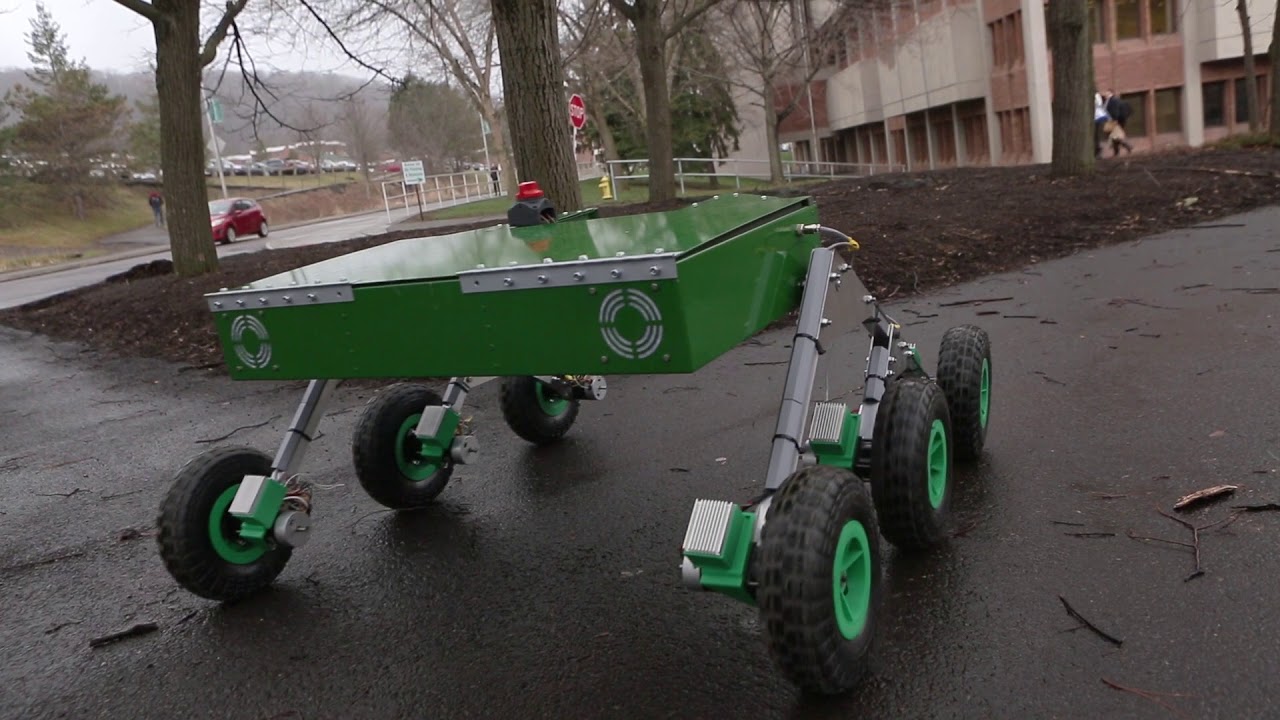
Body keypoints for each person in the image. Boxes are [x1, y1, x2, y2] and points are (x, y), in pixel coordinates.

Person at [1103, 90, 1134, 155]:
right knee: (1114, 136)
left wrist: (1115, 120)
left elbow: (1115, 110)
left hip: (1115, 121)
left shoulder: (1113, 100)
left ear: (1111, 93)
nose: (1105, 94)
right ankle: (1119, 150)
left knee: (1115, 136)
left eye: (1107, 93)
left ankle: (1127, 146)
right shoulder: (1110, 100)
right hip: (1114, 120)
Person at [1093, 91, 1110, 159]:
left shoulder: (1096, 95)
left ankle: (1098, 152)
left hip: (1097, 118)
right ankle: (1097, 151)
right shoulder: (1097, 95)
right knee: (1096, 135)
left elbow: (1098, 104)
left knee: (1096, 135)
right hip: (1098, 117)